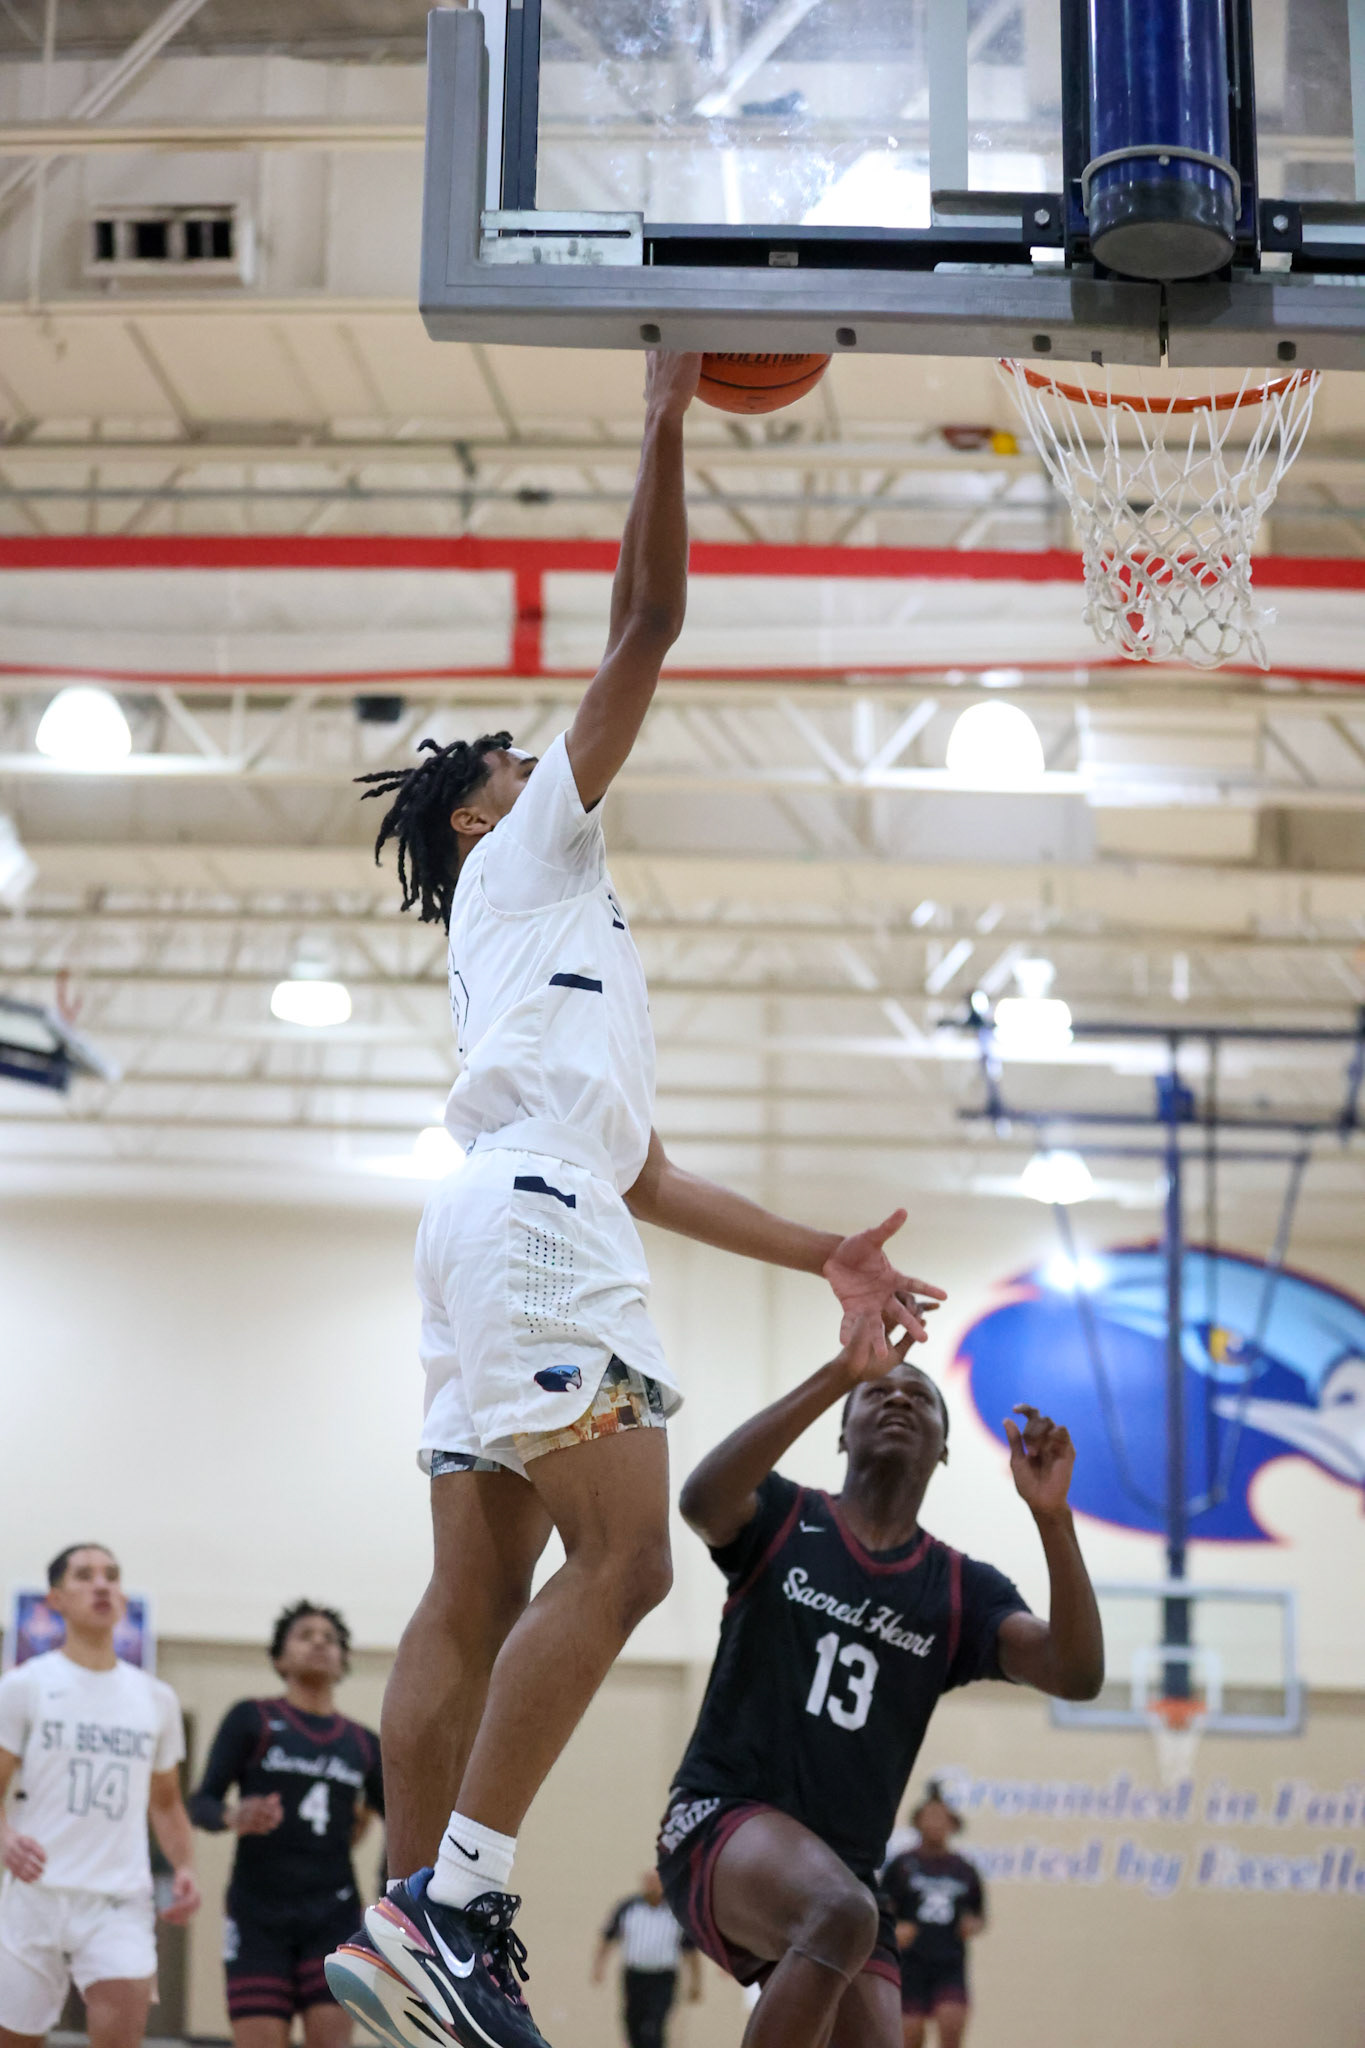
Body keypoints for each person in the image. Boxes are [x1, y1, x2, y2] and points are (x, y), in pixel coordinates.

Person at [324, 351, 946, 2048]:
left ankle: (403, 1910)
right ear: (479, 812)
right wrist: (665, 417)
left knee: (475, 1581)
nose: (557, 764)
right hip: (533, 1220)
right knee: (630, 1563)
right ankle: (454, 1906)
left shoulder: (523, 949)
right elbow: (647, 625)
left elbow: (649, 1169)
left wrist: (818, 1246)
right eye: (524, 762)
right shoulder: (527, 861)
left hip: (488, 1218)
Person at [655, 1315, 1104, 2048]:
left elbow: (1075, 1673)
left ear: (945, 1449)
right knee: (843, 1914)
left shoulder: (960, 1589)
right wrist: (840, 1372)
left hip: (843, 1879)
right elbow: (701, 1501)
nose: (897, 1400)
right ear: (843, 1433)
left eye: (920, 1398)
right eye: (876, 1393)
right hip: (718, 1822)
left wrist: (1052, 1519)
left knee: (847, 1920)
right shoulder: (784, 1517)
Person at [0, 1544, 200, 2048]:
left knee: (120, 2036)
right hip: (34, 1894)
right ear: (56, 1599)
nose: (102, 1585)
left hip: (118, 1899)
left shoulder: (156, 1698)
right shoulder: (24, 1687)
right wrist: (4, 1837)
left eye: (112, 1575)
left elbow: (167, 1800)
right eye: (85, 1575)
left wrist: (185, 1867)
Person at [188, 1602, 384, 2048]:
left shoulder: (362, 1743)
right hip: (257, 1913)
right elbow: (200, 1802)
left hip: (333, 1914)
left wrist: (386, 1892)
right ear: (280, 1658)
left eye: (330, 1638)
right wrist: (232, 1816)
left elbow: (399, 1815)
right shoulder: (251, 1719)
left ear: (343, 1661)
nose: (319, 1642)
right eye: (305, 1634)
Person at [882, 1790, 984, 2048]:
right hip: (910, 1962)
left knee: (951, 2025)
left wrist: (972, 1925)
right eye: (930, 1816)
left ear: (952, 1824)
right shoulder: (901, 1865)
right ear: (917, 1822)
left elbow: (979, 1914)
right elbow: (881, 1909)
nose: (935, 1823)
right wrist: (894, 1928)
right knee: (910, 2036)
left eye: (942, 1817)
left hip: (949, 1960)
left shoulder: (964, 1869)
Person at [592, 1869, 700, 2048]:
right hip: (634, 1976)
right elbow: (607, 1938)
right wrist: (598, 1967)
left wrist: (696, 1982)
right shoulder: (628, 1908)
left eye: (656, 1882)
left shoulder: (676, 1912)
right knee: (633, 2022)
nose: (652, 1887)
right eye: (649, 1882)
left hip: (663, 1978)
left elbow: (690, 1951)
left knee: (654, 2024)